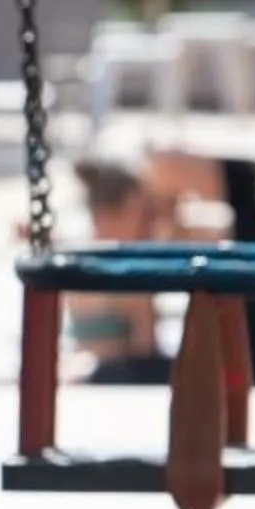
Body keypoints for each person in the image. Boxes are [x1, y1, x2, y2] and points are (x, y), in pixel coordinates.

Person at [65, 159, 175, 384]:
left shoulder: (75, 258)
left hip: (86, 373)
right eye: (144, 216)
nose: (151, 227)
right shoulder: (128, 274)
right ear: (106, 215)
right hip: (119, 380)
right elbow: (145, 350)